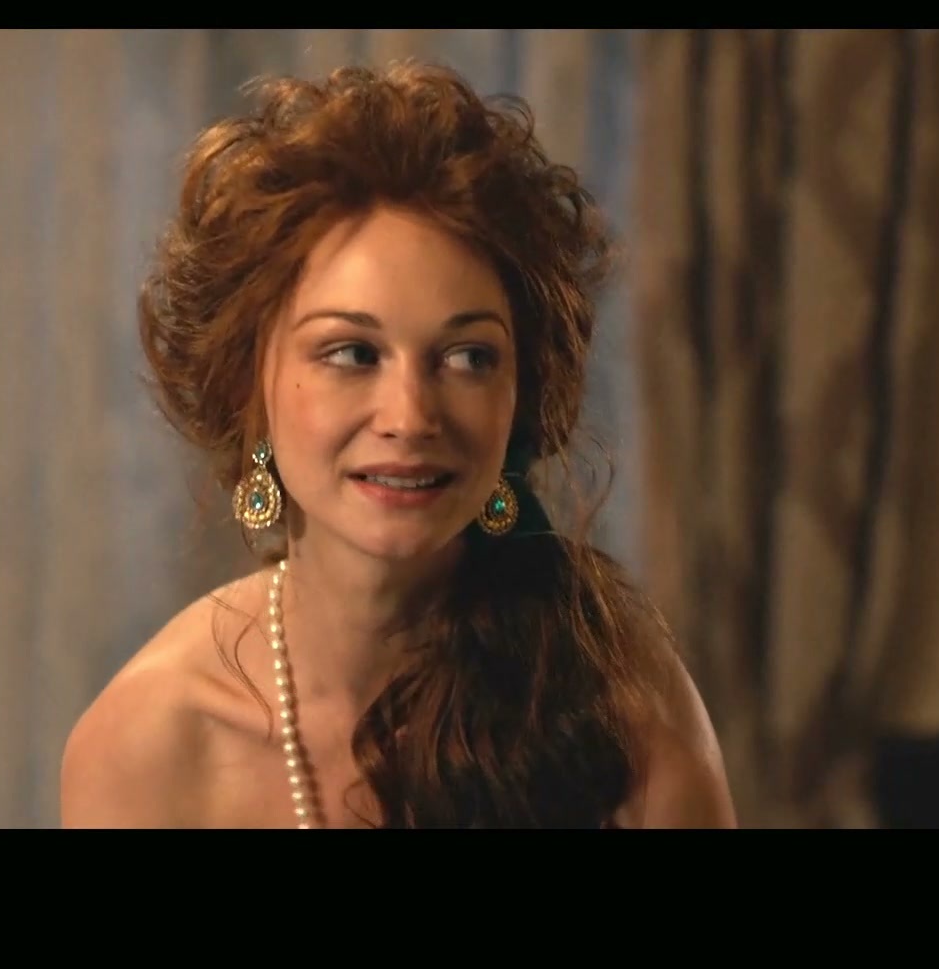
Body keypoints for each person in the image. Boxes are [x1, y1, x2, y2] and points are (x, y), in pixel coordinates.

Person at [59, 60, 736, 828]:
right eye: (353, 353)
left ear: (521, 397)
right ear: (249, 383)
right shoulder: (147, 748)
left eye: (468, 357)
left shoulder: (617, 703)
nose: (410, 417)